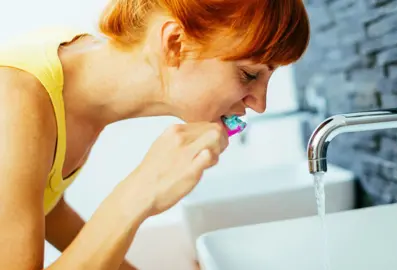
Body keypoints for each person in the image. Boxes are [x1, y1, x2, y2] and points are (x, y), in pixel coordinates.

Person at [0, 0, 310, 268]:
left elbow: (45, 205)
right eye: (249, 74)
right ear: (175, 43)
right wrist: (139, 192)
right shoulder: (15, 99)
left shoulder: (69, 75)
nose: (260, 103)